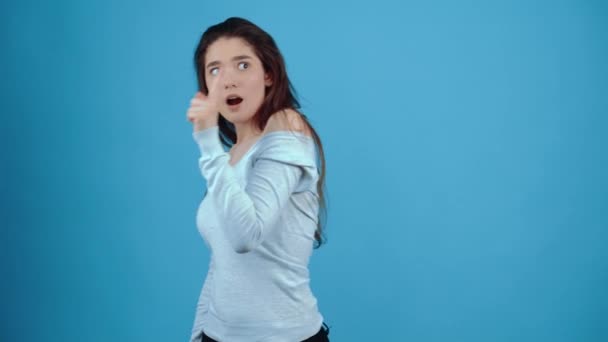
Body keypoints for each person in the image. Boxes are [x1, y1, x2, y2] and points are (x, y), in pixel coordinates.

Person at [185, 17, 330, 342]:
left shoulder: (287, 125)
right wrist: (198, 335)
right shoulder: (229, 157)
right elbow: (221, 265)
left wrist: (207, 141)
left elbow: (245, 237)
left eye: (242, 65)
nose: (228, 81)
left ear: (268, 74)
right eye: (215, 70)